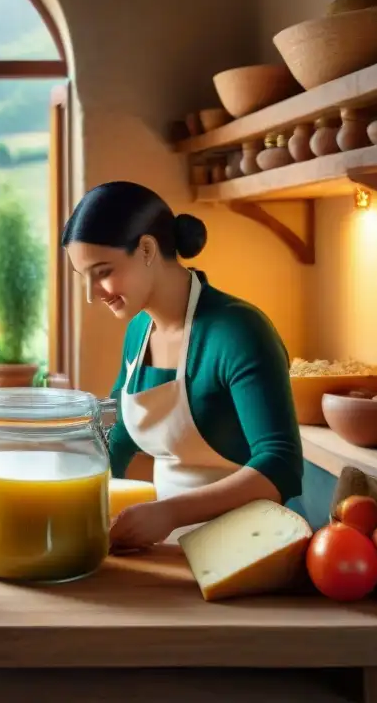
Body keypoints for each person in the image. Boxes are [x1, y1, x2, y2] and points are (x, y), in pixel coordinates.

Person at [62, 180, 302, 550]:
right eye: (84, 278)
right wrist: (68, 492)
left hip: (246, 549)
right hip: (170, 546)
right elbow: (120, 434)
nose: (93, 295)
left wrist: (170, 513)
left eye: (103, 272)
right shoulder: (139, 331)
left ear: (146, 249)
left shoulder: (238, 331)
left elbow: (281, 466)